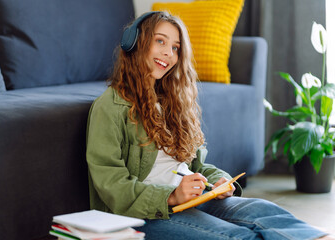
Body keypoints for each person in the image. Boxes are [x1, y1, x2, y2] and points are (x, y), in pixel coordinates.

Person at [86, 11, 332, 240]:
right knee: (235, 235)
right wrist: (171, 196)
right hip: (144, 212)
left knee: (266, 212)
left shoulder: (171, 102)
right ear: (135, 42)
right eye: (160, 41)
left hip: (189, 199)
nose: (168, 53)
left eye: (175, 48)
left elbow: (195, 166)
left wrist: (219, 181)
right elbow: (112, 185)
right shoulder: (110, 106)